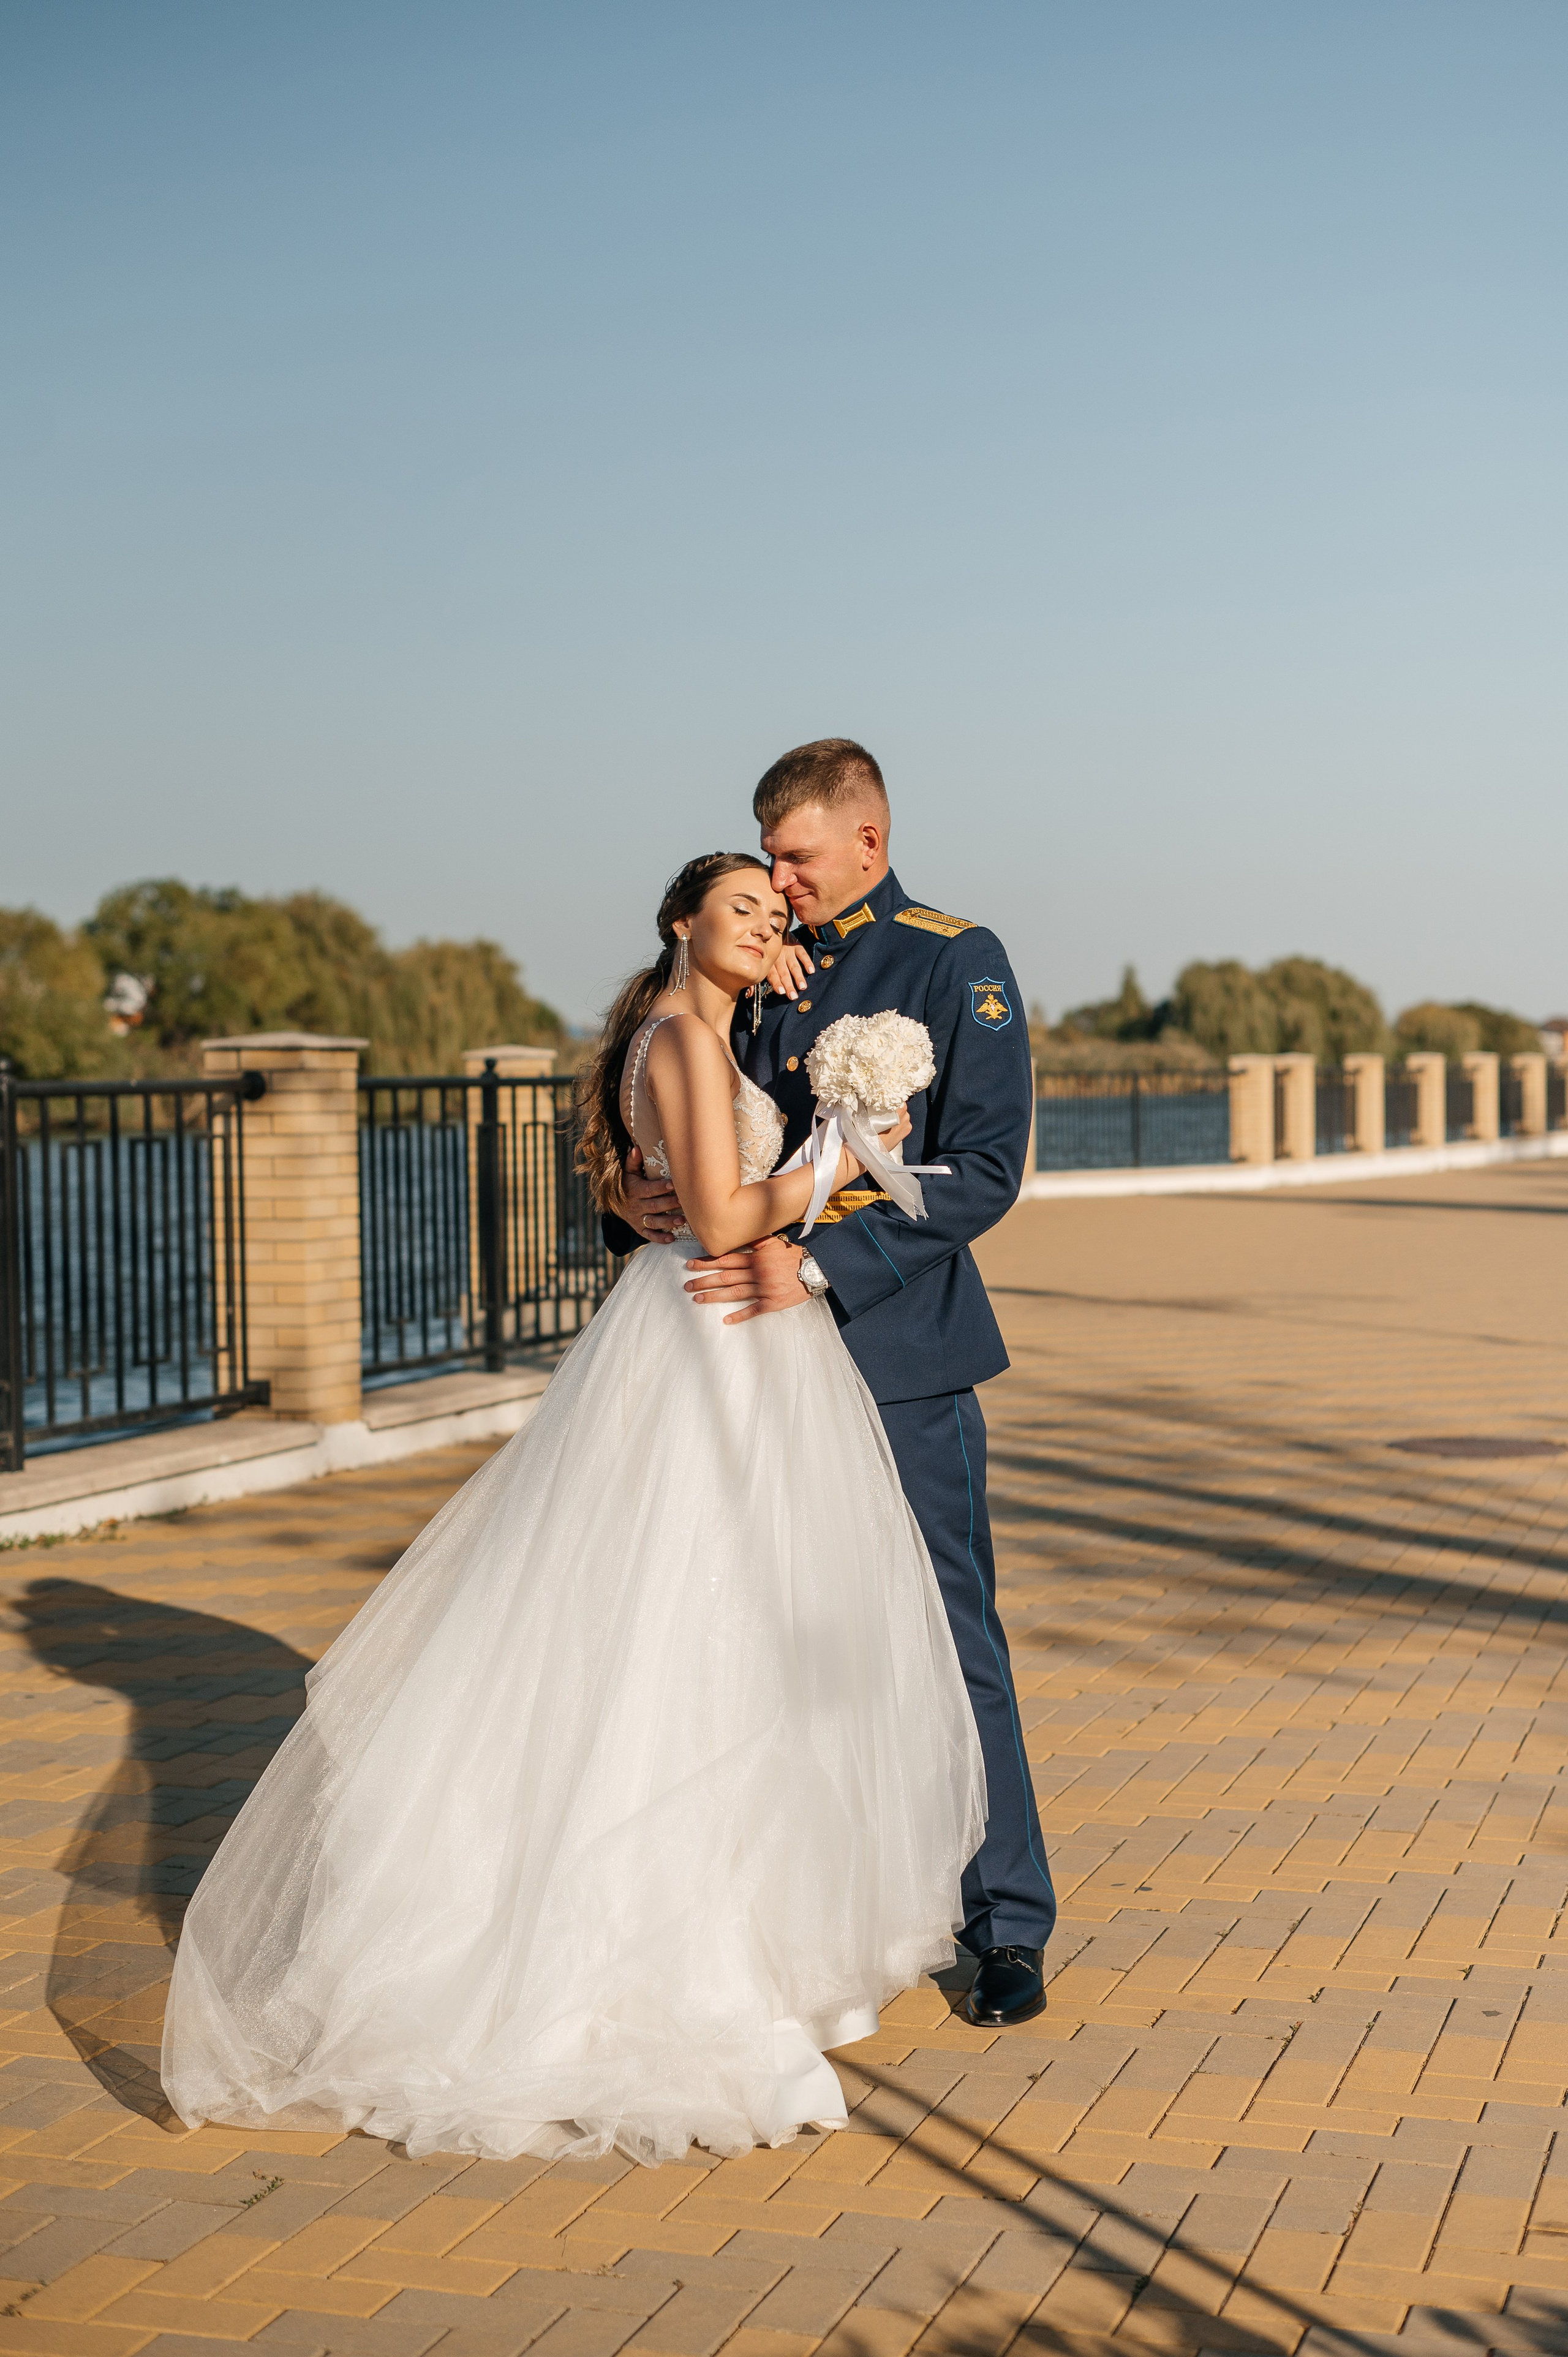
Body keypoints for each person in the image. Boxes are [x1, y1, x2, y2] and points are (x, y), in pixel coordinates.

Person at [160, 852, 984, 2168]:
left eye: (776, 913)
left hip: (728, 1348)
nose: (768, 925)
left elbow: (677, 1174)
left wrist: (780, 1021)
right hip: (711, 1340)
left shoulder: (689, 1027)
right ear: (679, 922)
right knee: (684, 1634)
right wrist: (836, 1162)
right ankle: (682, 1953)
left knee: (746, 1634)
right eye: (740, 908)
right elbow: (716, 1213)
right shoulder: (677, 1037)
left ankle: (769, 1936)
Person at [609, 741, 1056, 2028]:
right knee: (763, 1644)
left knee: (947, 1633)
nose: (779, 881)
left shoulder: (950, 957)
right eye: (766, 860)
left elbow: (978, 1171)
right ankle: (808, 1909)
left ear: (868, 838)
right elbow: (677, 1116)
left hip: (893, 1354)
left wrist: (821, 1265)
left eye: (797, 859)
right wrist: (633, 1200)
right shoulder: (755, 969)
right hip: (746, 1373)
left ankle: (1004, 1921)